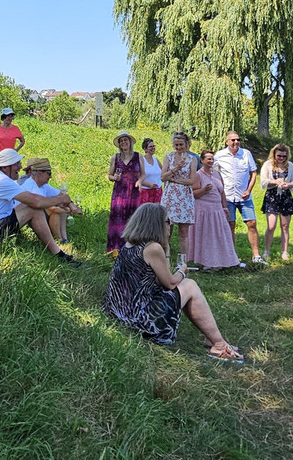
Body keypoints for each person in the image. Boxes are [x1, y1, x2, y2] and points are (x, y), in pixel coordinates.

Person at [102, 203, 243, 361]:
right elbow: (169, 283)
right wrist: (182, 271)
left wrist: (167, 249)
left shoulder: (130, 244)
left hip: (120, 312)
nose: (171, 224)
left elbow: (158, 280)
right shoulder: (152, 248)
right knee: (190, 286)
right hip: (140, 319)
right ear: (156, 224)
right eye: (168, 221)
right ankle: (219, 345)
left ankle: (211, 338)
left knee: (184, 288)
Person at [0, 149, 81, 266]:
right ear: (6, 167)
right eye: (17, 164)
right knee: (33, 208)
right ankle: (58, 254)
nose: (20, 167)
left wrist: (63, 202)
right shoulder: (2, 180)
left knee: (31, 207)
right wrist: (61, 200)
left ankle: (58, 247)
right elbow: (36, 202)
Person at [186, 150, 242, 270]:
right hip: (204, 210)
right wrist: (204, 190)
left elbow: (222, 192)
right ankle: (207, 262)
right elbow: (193, 193)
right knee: (207, 236)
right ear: (202, 161)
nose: (211, 161)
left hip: (217, 209)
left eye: (212, 159)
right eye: (208, 159)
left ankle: (224, 260)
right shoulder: (198, 175)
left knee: (222, 235)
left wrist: (225, 207)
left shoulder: (217, 174)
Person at [214, 131, 263, 263]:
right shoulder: (220, 155)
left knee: (252, 223)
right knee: (230, 225)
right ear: (227, 142)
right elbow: (210, 170)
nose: (236, 142)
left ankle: (256, 256)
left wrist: (249, 190)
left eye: (238, 140)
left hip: (244, 196)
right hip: (227, 197)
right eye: (233, 140)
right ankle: (232, 257)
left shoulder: (246, 154)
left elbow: (253, 173)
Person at [19, 157, 82, 243]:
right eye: (49, 174)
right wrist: (68, 209)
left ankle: (64, 238)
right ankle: (59, 240)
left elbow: (62, 196)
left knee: (60, 207)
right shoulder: (32, 187)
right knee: (56, 212)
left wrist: (71, 205)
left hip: (36, 216)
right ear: (39, 173)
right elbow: (51, 208)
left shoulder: (43, 185)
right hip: (25, 218)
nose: (50, 177)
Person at [160, 131, 200, 259]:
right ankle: (165, 257)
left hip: (184, 197)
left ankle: (183, 261)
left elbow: (191, 180)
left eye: (181, 144)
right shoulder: (168, 157)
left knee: (183, 232)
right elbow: (163, 177)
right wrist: (176, 168)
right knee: (167, 230)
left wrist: (174, 180)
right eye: (176, 145)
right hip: (170, 196)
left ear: (187, 144)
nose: (178, 147)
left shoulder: (192, 159)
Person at [106, 130, 142, 254]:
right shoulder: (115, 158)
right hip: (119, 192)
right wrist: (114, 178)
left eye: (125, 140)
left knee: (133, 218)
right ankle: (116, 248)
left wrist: (140, 181)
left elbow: (143, 174)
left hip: (134, 192)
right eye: (121, 141)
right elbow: (109, 175)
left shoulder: (138, 156)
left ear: (130, 142)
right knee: (118, 218)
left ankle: (132, 248)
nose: (123, 142)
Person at [259, 143, 293, 261]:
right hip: (272, 196)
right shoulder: (268, 165)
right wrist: (275, 182)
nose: (281, 158)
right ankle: (266, 251)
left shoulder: (290, 166)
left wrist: (288, 185)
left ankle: (284, 251)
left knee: (285, 226)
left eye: (284, 156)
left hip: (286, 196)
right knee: (271, 226)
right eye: (279, 156)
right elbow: (263, 181)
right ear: (274, 154)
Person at [138, 138, 163, 204]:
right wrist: (150, 185)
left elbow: (164, 173)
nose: (153, 148)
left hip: (157, 192)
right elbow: (138, 178)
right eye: (150, 146)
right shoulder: (141, 161)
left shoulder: (156, 160)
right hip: (145, 192)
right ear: (145, 149)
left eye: (154, 146)